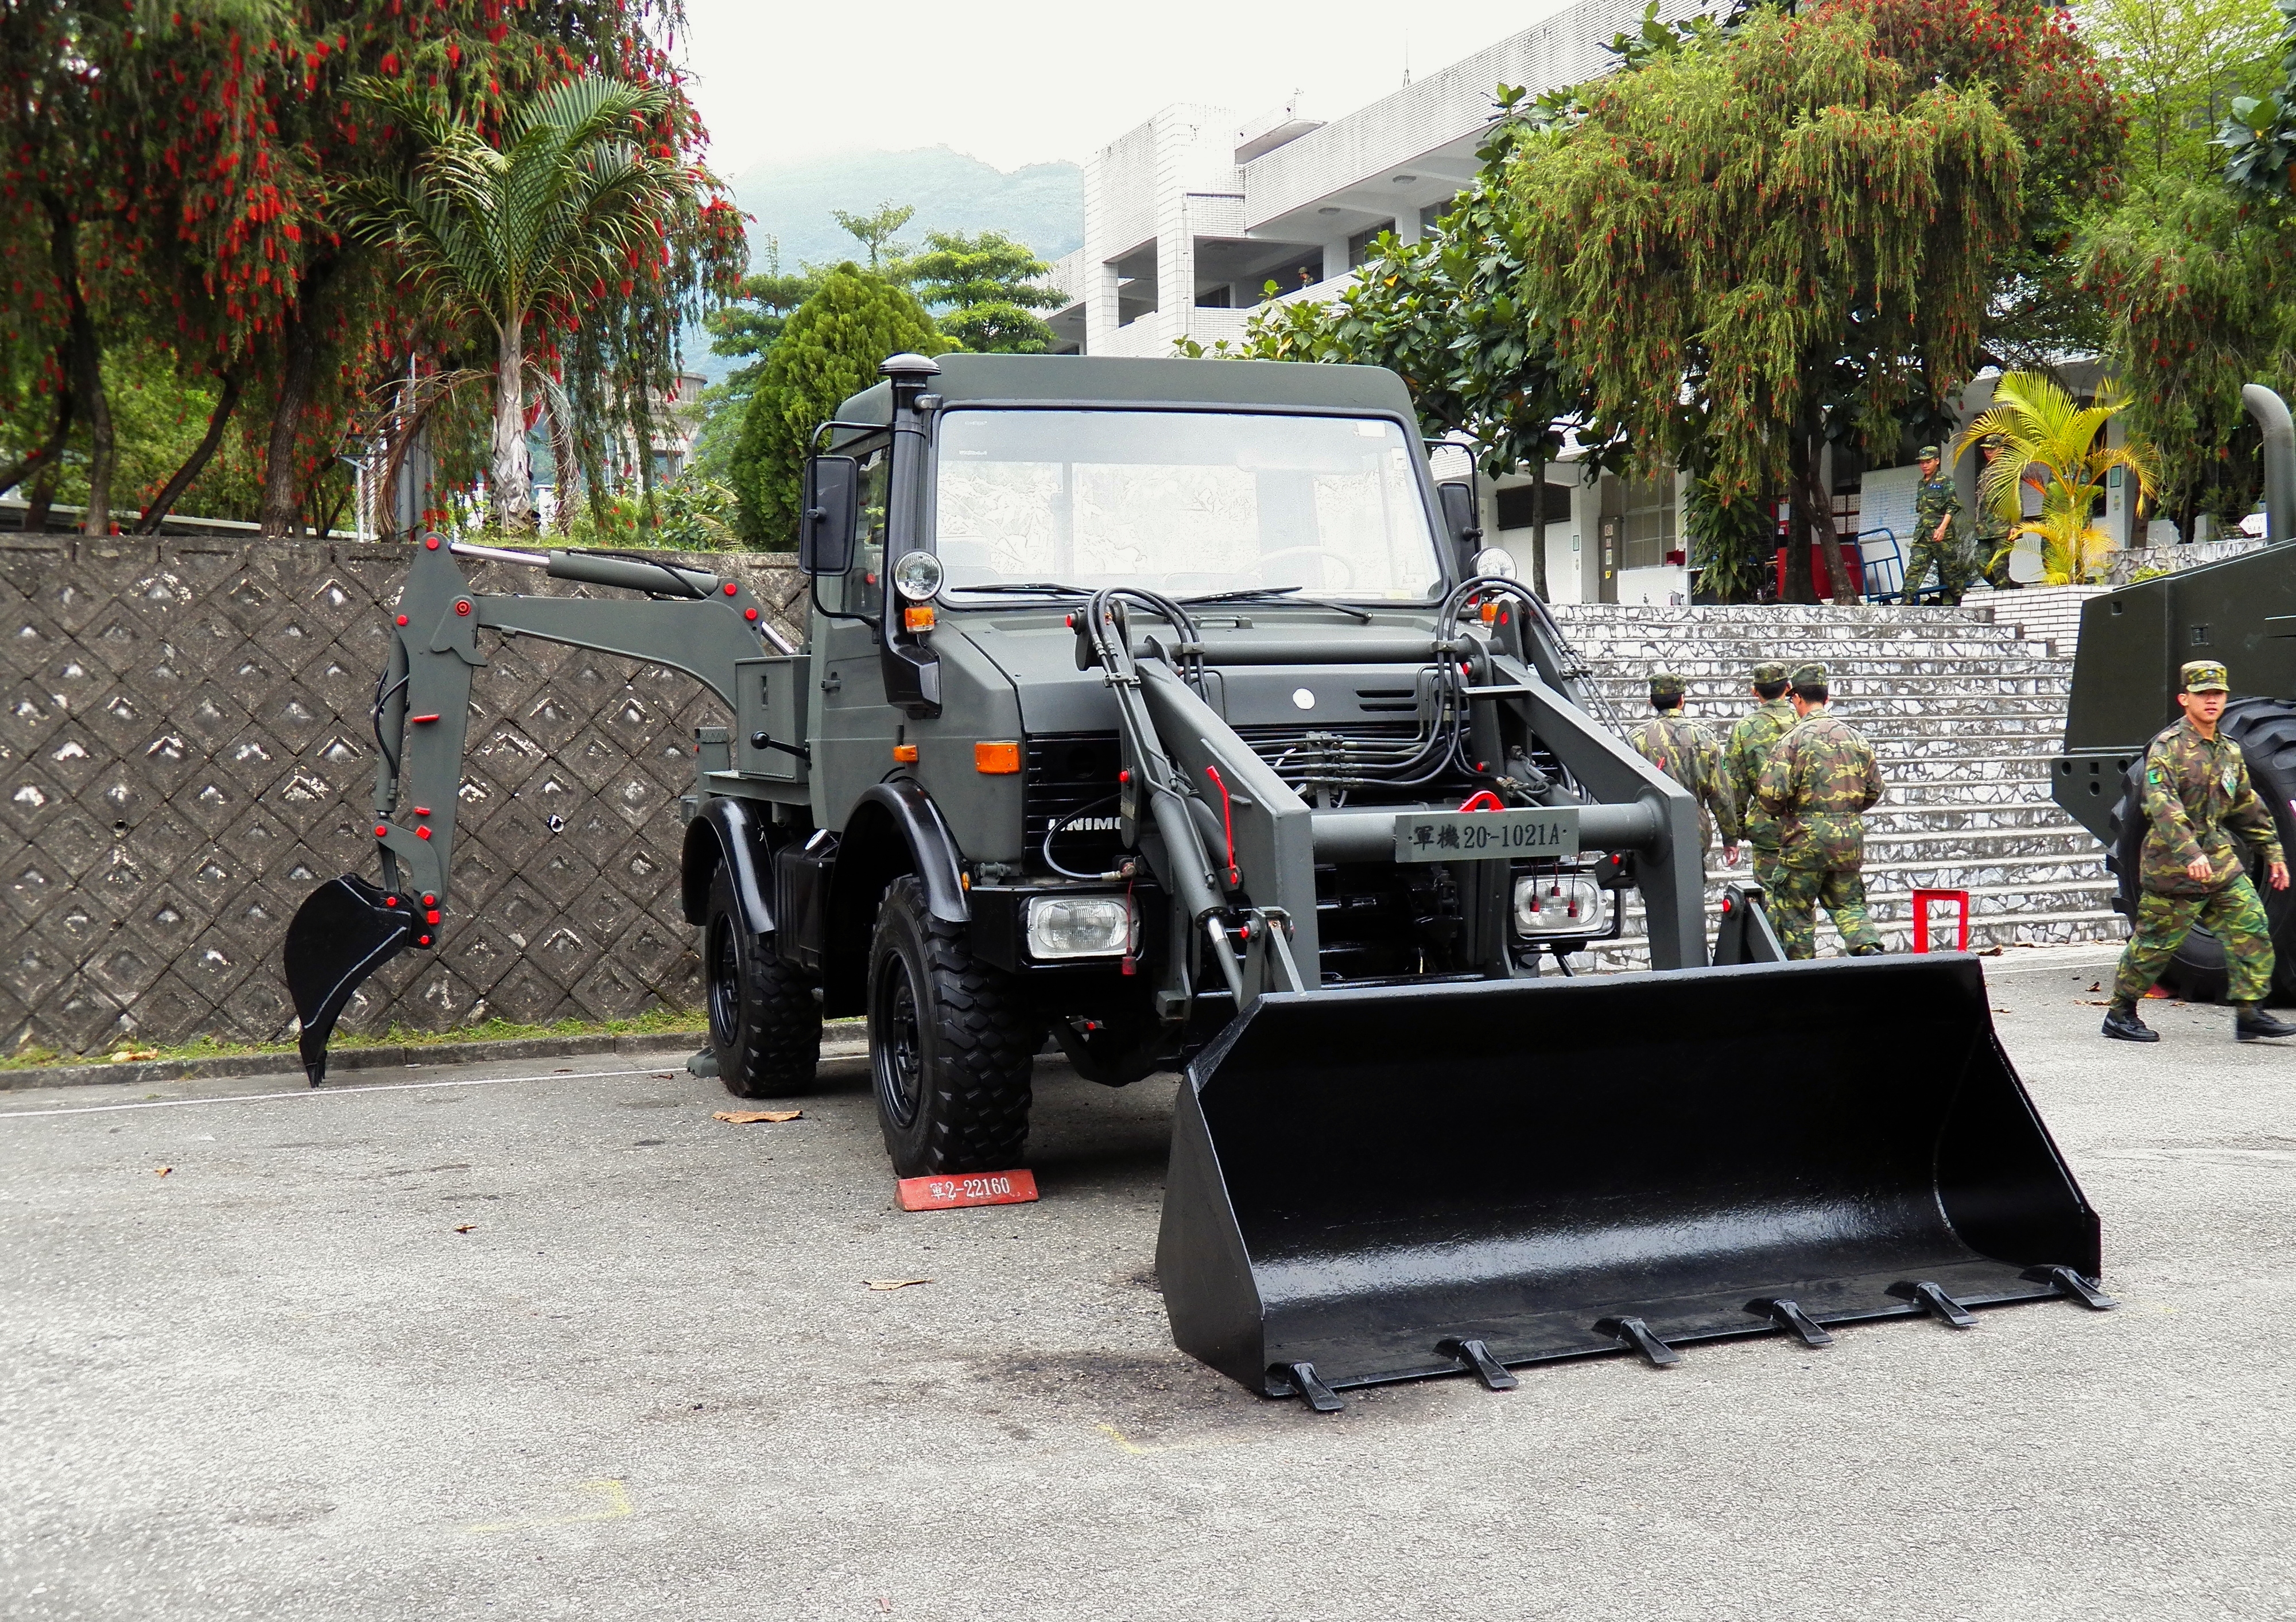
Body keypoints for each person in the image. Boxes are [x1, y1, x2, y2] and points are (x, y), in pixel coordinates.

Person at [2103, 661, 2296, 1043]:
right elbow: (2162, 805)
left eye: (2218, 694)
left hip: (2219, 862)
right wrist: (2190, 853)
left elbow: (2246, 806)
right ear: (2184, 699)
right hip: (2173, 865)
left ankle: (2249, 1012)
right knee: (2156, 943)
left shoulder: (2227, 750)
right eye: (2203, 694)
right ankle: (2120, 1011)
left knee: (2252, 926)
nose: (2212, 701)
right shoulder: (2167, 748)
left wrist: (2272, 852)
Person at [1755, 661, 1886, 958]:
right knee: (1850, 905)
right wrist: (1845, 811)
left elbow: (1770, 795)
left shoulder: (1792, 741)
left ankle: (1803, 975)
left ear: (1797, 698)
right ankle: (1868, 951)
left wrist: (1789, 811)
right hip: (1848, 841)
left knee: (1795, 914)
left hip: (1803, 841)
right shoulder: (1856, 738)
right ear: (1827, 698)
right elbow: (1875, 790)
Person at [1626, 672, 1740, 868]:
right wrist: (1730, 838)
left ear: (1651, 702)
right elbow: (1721, 794)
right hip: (1694, 829)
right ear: (1682, 700)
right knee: (1693, 886)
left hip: (1651, 829)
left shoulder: (1636, 738)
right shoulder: (1705, 736)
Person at [1723, 660, 1799, 894]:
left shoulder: (1745, 728)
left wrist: (1734, 833)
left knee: (1769, 896)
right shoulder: (1806, 723)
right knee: (1801, 902)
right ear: (1788, 687)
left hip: (1767, 826)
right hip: (1807, 826)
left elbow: (1735, 786)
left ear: (1755, 691)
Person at [1901, 444, 1967, 606]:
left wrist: (1942, 528)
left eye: (1928, 462)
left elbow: (1952, 506)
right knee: (1915, 567)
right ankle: (1906, 599)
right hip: (1923, 534)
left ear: (1937, 461)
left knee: (1950, 570)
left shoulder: (1945, 481)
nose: (1924, 465)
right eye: (1922, 462)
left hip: (1941, 534)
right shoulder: (1921, 484)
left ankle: (1961, 600)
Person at [1973, 432, 2019, 591]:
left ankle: (2002, 592)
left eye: (1992, 449)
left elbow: (2016, 499)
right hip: (1985, 529)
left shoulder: (2008, 470)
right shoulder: (1985, 471)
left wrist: (2016, 525)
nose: (1988, 452)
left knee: (2000, 566)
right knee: (1981, 565)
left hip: (2002, 527)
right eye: (1986, 449)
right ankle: (2009, 585)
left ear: (2001, 449)